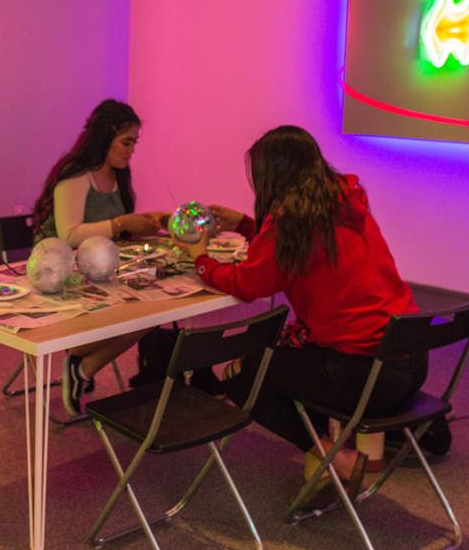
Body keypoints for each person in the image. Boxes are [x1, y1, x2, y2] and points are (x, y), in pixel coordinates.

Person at [173, 125, 427, 509]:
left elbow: (246, 284)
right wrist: (246, 225)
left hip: (365, 374)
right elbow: (293, 252)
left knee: (244, 377)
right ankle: (325, 458)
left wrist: (200, 259)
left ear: (272, 176)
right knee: (287, 363)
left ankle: (334, 455)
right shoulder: (344, 200)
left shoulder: (289, 223)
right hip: (409, 362)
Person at [31, 99, 167, 415]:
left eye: (134, 142)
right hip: (60, 270)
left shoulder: (118, 174)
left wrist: (148, 224)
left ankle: (80, 366)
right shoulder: (76, 174)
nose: (131, 149)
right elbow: (69, 235)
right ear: (105, 137)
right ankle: (79, 361)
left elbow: (112, 232)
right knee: (141, 312)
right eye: (126, 141)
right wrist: (122, 223)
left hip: (99, 267)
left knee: (153, 308)